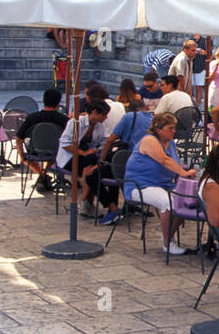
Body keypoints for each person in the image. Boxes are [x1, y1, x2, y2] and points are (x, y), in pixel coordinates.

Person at [123, 112, 197, 246]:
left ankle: (167, 237)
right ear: (158, 129)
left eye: (174, 128)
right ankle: (168, 244)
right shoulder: (149, 140)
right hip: (141, 186)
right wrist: (183, 173)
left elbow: (174, 163)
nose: (174, 131)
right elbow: (164, 160)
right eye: (170, 128)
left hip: (165, 185)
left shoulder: (171, 144)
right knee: (168, 202)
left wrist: (183, 174)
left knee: (187, 201)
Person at [57, 100, 113, 219]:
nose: (106, 117)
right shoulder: (75, 123)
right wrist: (84, 152)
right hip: (69, 157)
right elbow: (65, 143)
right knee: (90, 162)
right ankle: (85, 201)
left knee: (96, 167)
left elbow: (104, 141)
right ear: (94, 112)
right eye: (104, 114)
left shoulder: (100, 126)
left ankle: (86, 201)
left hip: (87, 158)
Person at [15, 87, 70, 192]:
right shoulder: (63, 119)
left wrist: (22, 155)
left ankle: (42, 175)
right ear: (58, 103)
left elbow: (18, 138)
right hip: (57, 152)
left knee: (29, 156)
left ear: (43, 101)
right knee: (58, 149)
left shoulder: (32, 117)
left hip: (34, 150)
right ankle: (43, 174)